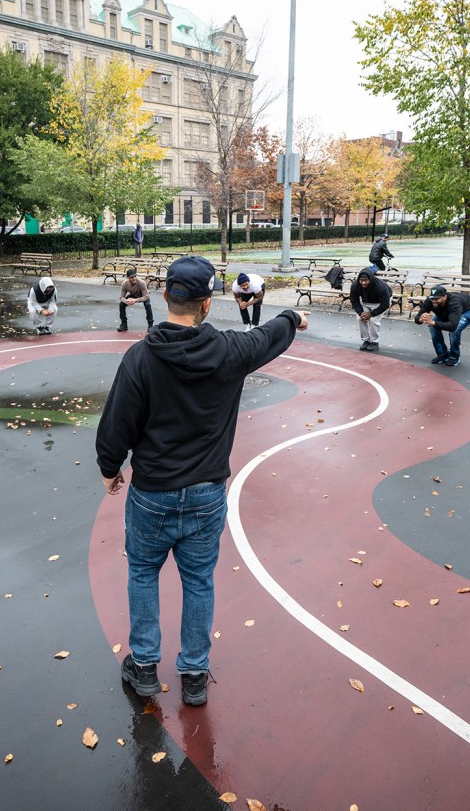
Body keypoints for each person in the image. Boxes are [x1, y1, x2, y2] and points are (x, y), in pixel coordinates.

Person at [95, 255, 310, 705]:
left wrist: (110, 469)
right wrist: (292, 315)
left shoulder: (140, 358)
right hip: (207, 493)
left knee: (143, 572)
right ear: (207, 304)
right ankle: (194, 674)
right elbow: (270, 335)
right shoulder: (231, 352)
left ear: (167, 296)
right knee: (198, 580)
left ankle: (145, 666)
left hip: (152, 492)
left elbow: (117, 426)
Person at [414, 284, 470, 367]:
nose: (434, 301)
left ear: (445, 297)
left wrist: (433, 322)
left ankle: (454, 356)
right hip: (447, 312)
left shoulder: (454, 303)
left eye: (437, 299)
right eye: (432, 298)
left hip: (468, 310)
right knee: (432, 327)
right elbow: (417, 318)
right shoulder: (430, 301)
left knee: (455, 330)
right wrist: (421, 319)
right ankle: (443, 355)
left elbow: (452, 326)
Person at [349, 266, 392, 351]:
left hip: (380, 303)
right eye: (361, 280)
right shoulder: (355, 285)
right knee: (360, 318)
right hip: (366, 302)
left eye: (366, 280)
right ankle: (366, 340)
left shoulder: (381, 287)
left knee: (373, 320)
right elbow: (354, 300)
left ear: (371, 279)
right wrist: (360, 312)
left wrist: (371, 314)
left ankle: (374, 342)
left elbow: (385, 304)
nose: (363, 283)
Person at [117, 267, 154, 332]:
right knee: (121, 304)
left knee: (148, 305)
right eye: (131, 277)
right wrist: (126, 301)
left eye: (134, 276)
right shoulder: (124, 284)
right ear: (128, 277)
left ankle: (150, 325)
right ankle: (124, 324)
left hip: (143, 296)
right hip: (133, 295)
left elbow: (146, 297)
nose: (134, 278)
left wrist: (135, 300)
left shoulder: (141, 283)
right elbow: (121, 297)